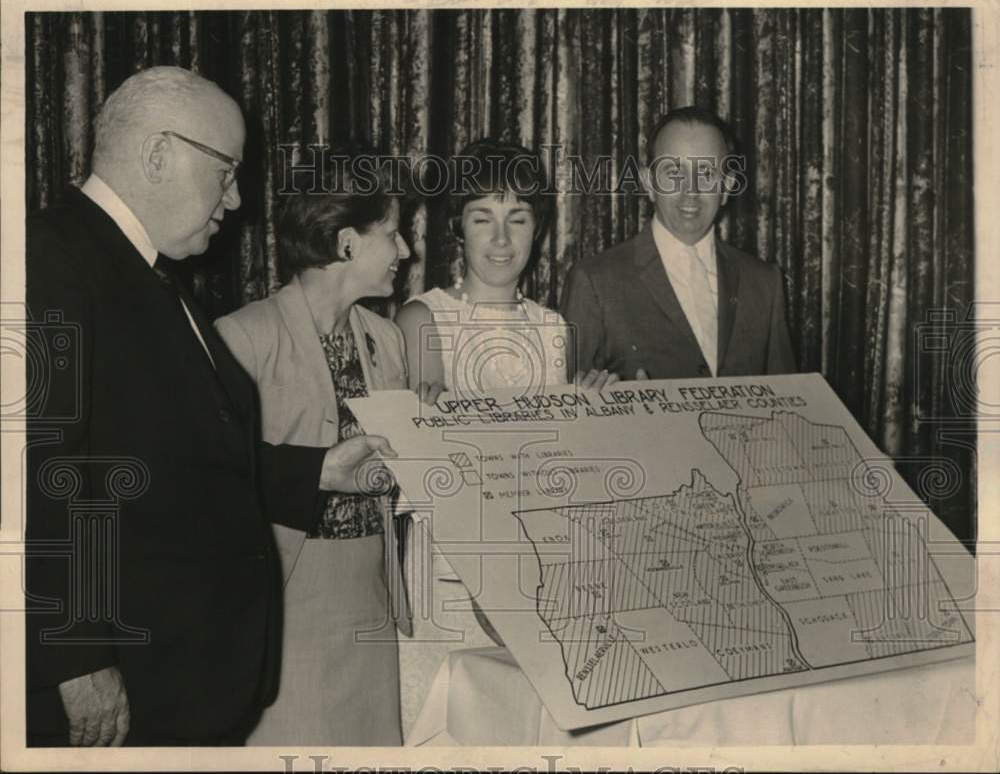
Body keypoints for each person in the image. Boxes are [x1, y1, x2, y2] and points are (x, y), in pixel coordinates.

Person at [24, 67, 393, 747]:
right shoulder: (48, 259)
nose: (237, 198)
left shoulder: (148, 269)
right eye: (225, 170)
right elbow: (30, 477)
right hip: (121, 683)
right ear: (158, 154)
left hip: (176, 679)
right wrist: (74, 658)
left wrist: (317, 472)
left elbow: (174, 459)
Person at [394, 137, 614, 733]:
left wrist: (593, 417)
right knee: (447, 724)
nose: (499, 239)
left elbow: (565, 469)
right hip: (448, 564)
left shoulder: (553, 331)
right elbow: (430, 463)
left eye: (516, 219)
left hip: (535, 566)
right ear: (457, 230)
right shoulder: (423, 318)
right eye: (481, 218)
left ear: (536, 231)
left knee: (522, 727)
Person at [215, 150, 415, 745]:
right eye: (393, 235)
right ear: (348, 245)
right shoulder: (241, 338)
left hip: (372, 597)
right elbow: (210, 489)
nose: (405, 252)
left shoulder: (386, 339)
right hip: (285, 605)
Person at [561, 106, 796, 380]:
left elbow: (786, 408)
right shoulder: (595, 282)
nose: (690, 191)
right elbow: (570, 411)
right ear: (648, 182)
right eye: (674, 172)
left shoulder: (765, 283)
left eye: (706, 173)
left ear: (727, 185)